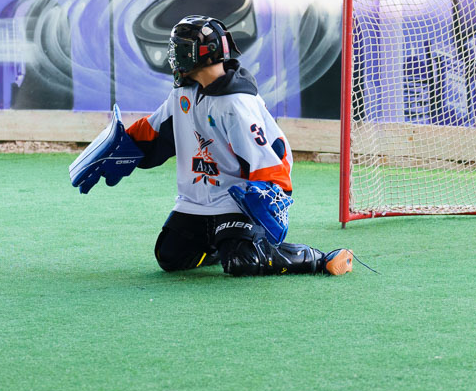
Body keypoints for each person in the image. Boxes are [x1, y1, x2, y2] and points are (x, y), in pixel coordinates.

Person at [121, 15, 353, 277]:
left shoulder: (235, 103)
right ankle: (225, 241)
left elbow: (268, 160)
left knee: (243, 262)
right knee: (170, 256)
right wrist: (120, 146)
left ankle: (318, 259)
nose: (174, 56)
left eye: (181, 49)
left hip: (237, 200)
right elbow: (152, 131)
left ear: (202, 55)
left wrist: (273, 191)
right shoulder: (182, 93)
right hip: (196, 201)